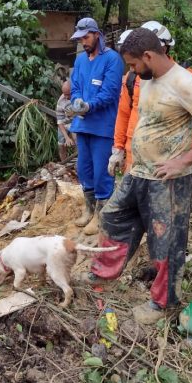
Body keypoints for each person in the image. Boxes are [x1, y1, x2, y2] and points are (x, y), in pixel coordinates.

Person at [90, 29, 192, 324]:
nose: (131, 71)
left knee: (166, 242)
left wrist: (183, 161)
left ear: (148, 56)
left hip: (168, 180)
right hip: (140, 172)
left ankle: (162, 302)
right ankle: (103, 273)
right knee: (113, 216)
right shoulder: (150, 79)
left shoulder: (184, 82)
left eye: (132, 64)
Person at [108, 22, 192, 177]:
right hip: (134, 158)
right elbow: (124, 112)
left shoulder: (185, 79)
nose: (132, 67)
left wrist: (188, 158)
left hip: (167, 162)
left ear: (162, 49)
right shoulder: (135, 77)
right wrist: (118, 148)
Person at [67, 17, 124, 236]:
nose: (83, 42)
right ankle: (89, 208)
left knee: (102, 171)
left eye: (86, 37)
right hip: (83, 125)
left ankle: (102, 213)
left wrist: (90, 106)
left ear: (97, 35)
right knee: (84, 168)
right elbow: (76, 87)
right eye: (80, 39)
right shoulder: (81, 61)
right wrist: (77, 101)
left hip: (103, 126)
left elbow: (109, 93)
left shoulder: (112, 60)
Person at [55, 80, 76, 161]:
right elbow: (60, 122)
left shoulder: (79, 96)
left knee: (77, 141)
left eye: (68, 94)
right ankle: (64, 163)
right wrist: (67, 138)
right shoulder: (61, 101)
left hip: (76, 122)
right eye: (64, 94)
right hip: (65, 123)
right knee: (61, 144)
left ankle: (78, 163)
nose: (66, 97)